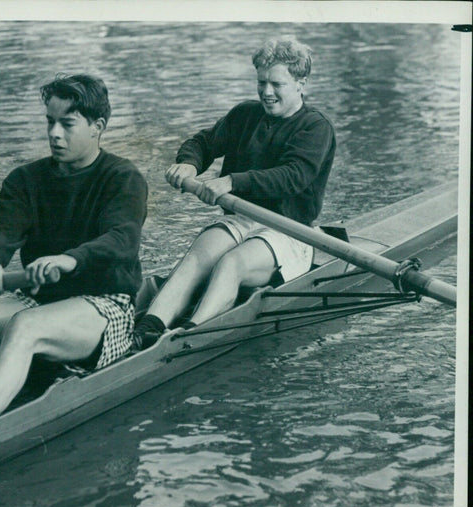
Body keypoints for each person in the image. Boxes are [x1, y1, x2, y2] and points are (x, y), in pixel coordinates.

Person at [0, 74, 147, 440]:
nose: (54, 133)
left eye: (67, 124)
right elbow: (4, 231)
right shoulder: (25, 179)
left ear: (97, 127)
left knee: (25, 327)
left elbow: (122, 240)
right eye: (49, 122)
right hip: (40, 299)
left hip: (104, 305)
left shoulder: (123, 178)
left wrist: (69, 259)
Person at [133, 37, 336, 349]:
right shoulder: (244, 115)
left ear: (301, 83)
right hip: (242, 219)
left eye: (276, 84)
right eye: (262, 82)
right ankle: (146, 330)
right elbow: (203, 142)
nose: (267, 92)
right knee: (199, 256)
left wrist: (231, 182)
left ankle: (190, 336)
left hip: (289, 230)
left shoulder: (315, 127)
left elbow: (293, 177)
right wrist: (189, 164)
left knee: (231, 264)